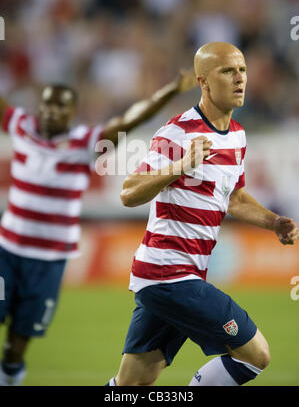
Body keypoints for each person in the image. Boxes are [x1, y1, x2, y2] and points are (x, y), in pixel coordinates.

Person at [108, 42, 299, 387]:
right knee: (256, 355)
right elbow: (128, 193)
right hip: (168, 274)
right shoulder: (177, 132)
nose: (239, 78)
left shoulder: (237, 136)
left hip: (176, 277)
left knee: (130, 386)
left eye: (242, 70)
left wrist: (273, 221)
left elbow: (234, 197)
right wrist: (181, 164)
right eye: (227, 71)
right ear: (204, 81)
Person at [0, 71, 197, 386]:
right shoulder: (21, 126)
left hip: (47, 261)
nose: (50, 111)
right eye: (46, 105)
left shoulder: (85, 143)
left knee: (16, 345)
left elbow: (129, 119)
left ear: (72, 113)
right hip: (6, 252)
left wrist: (171, 89)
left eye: (59, 107)